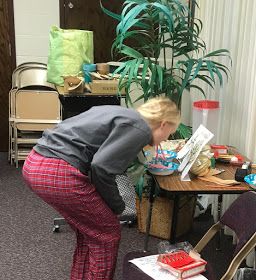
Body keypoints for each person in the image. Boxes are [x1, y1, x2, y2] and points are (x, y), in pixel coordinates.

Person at [22, 96, 180, 280]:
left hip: (35, 163)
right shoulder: (140, 127)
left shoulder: (122, 115)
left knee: (89, 231)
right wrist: (117, 206)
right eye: (169, 133)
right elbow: (102, 167)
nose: (163, 140)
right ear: (163, 124)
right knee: (107, 233)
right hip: (58, 170)